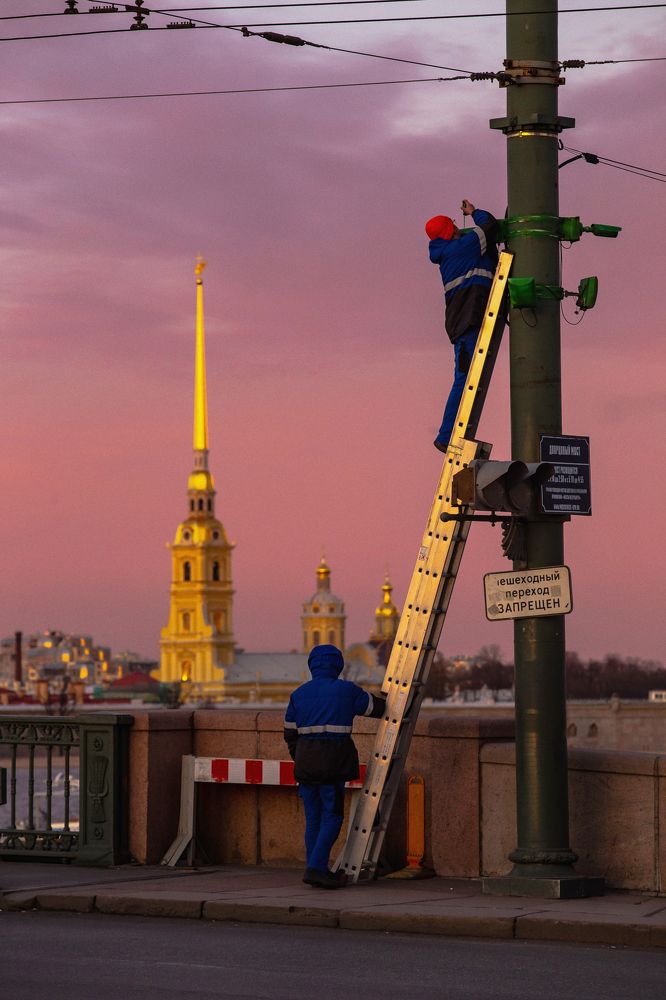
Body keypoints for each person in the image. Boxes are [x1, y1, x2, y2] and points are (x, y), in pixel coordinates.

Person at [284, 643, 386, 889]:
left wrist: (301, 757)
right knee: (332, 816)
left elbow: (289, 734)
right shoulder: (346, 690)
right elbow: (377, 709)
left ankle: (316, 867)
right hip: (333, 763)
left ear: (312, 666)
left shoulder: (298, 694)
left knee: (314, 818)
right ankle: (316, 869)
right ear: (338, 665)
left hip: (306, 764)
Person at [426, 199, 499, 452]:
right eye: (453, 224)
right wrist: (474, 211)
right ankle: (445, 437)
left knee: (464, 377)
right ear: (449, 231)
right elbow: (489, 225)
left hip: (466, 320)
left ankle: (447, 435)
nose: (458, 226)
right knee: (463, 379)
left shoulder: (452, 252)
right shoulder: (462, 248)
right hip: (467, 322)